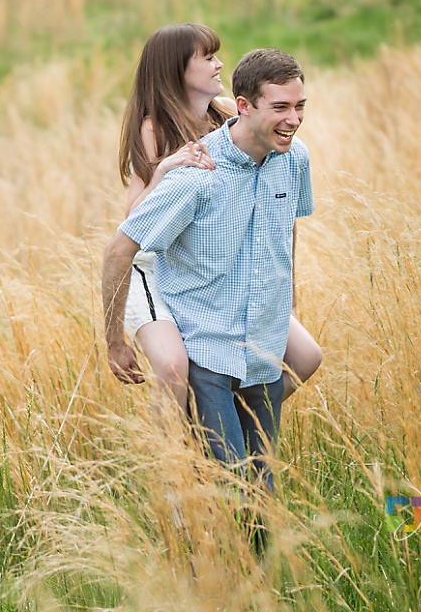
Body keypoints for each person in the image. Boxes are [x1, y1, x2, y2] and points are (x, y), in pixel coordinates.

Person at [102, 43, 315, 496]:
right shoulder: (190, 164)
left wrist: (288, 294)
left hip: (260, 351)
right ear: (246, 106)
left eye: (299, 107)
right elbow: (122, 246)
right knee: (235, 484)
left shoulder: (293, 158)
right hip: (207, 343)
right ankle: (173, 485)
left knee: (262, 494)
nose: (294, 119)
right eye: (280, 108)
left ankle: (244, 557)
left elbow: (286, 227)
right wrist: (113, 339)